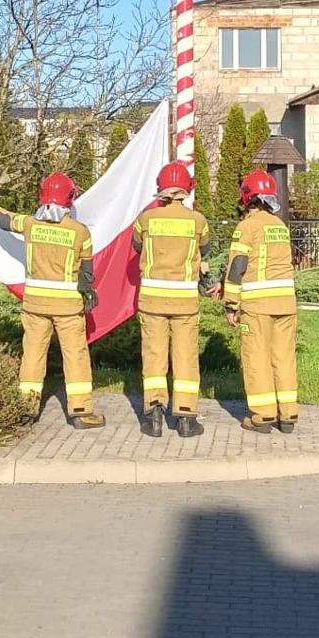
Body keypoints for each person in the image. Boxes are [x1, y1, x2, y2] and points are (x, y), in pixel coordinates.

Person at [0, 174, 104, 429]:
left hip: (35, 305)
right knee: (75, 356)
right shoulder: (80, 232)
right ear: (69, 199)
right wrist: (87, 292)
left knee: (33, 356)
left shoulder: (30, 225)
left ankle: (26, 411)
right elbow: (87, 273)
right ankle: (81, 413)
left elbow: (5, 220)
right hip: (68, 309)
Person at [130, 162, 212, 438]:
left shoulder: (146, 220)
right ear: (186, 190)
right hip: (185, 303)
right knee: (186, 357)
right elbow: (206, 247)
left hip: (152, 300)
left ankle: (153, 415)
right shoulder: (198, 221)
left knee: (153, 357)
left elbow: (137, 246)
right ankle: (186, 418)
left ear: (160, 190)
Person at [222, 170, 298, 434]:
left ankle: (262, 417)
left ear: (247, 196)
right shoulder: (280, 226)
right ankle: (287, 415)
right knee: (284, 358)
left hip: (258, 306)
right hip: (286, 305)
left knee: (257, 358)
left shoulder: (247, 226)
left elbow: (236, 268)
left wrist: (230, 304)